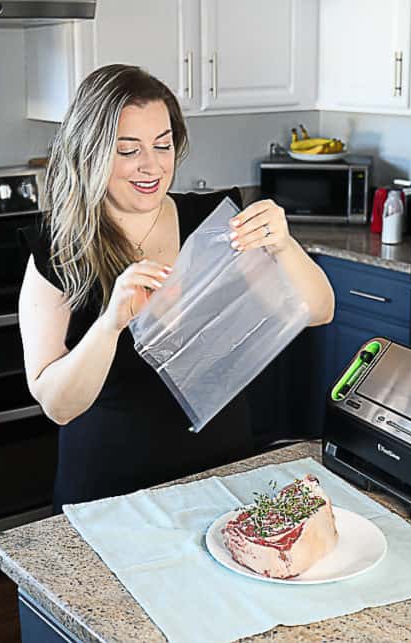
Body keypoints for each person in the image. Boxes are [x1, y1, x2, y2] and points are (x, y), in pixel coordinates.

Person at [18, 64, 335, 510]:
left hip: (220, 486)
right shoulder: (58, 252)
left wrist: (283, 245)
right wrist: (109, 325)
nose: (151, 166)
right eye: (128, 150)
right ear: (90, 153)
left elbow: (318, 310)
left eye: (162, 145)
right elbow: (58, 405)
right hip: (109, 497)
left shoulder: (214, 224)